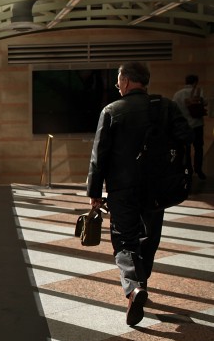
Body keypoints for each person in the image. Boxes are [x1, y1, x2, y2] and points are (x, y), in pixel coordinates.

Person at [87, 62, 192, 326]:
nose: (117, 85)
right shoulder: (165, 106)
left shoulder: (111, 111)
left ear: (125, 81)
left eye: (118, 80)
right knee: (150, 238)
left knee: (124, 240)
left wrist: (95, 192)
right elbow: (185, 137)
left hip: (122, 189)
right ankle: (141, 284)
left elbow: (99, 157)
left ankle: (134, 288)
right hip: (157, 187)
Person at [172, 74, 207, 180]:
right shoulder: (199, 91)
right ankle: (198, 170)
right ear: (195, 82)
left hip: (185, 126)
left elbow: (174, 108)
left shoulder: (178, 94)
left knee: (186, 149)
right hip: (197, 125)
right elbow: (205, 103)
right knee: (198, 148)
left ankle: (188, 170)